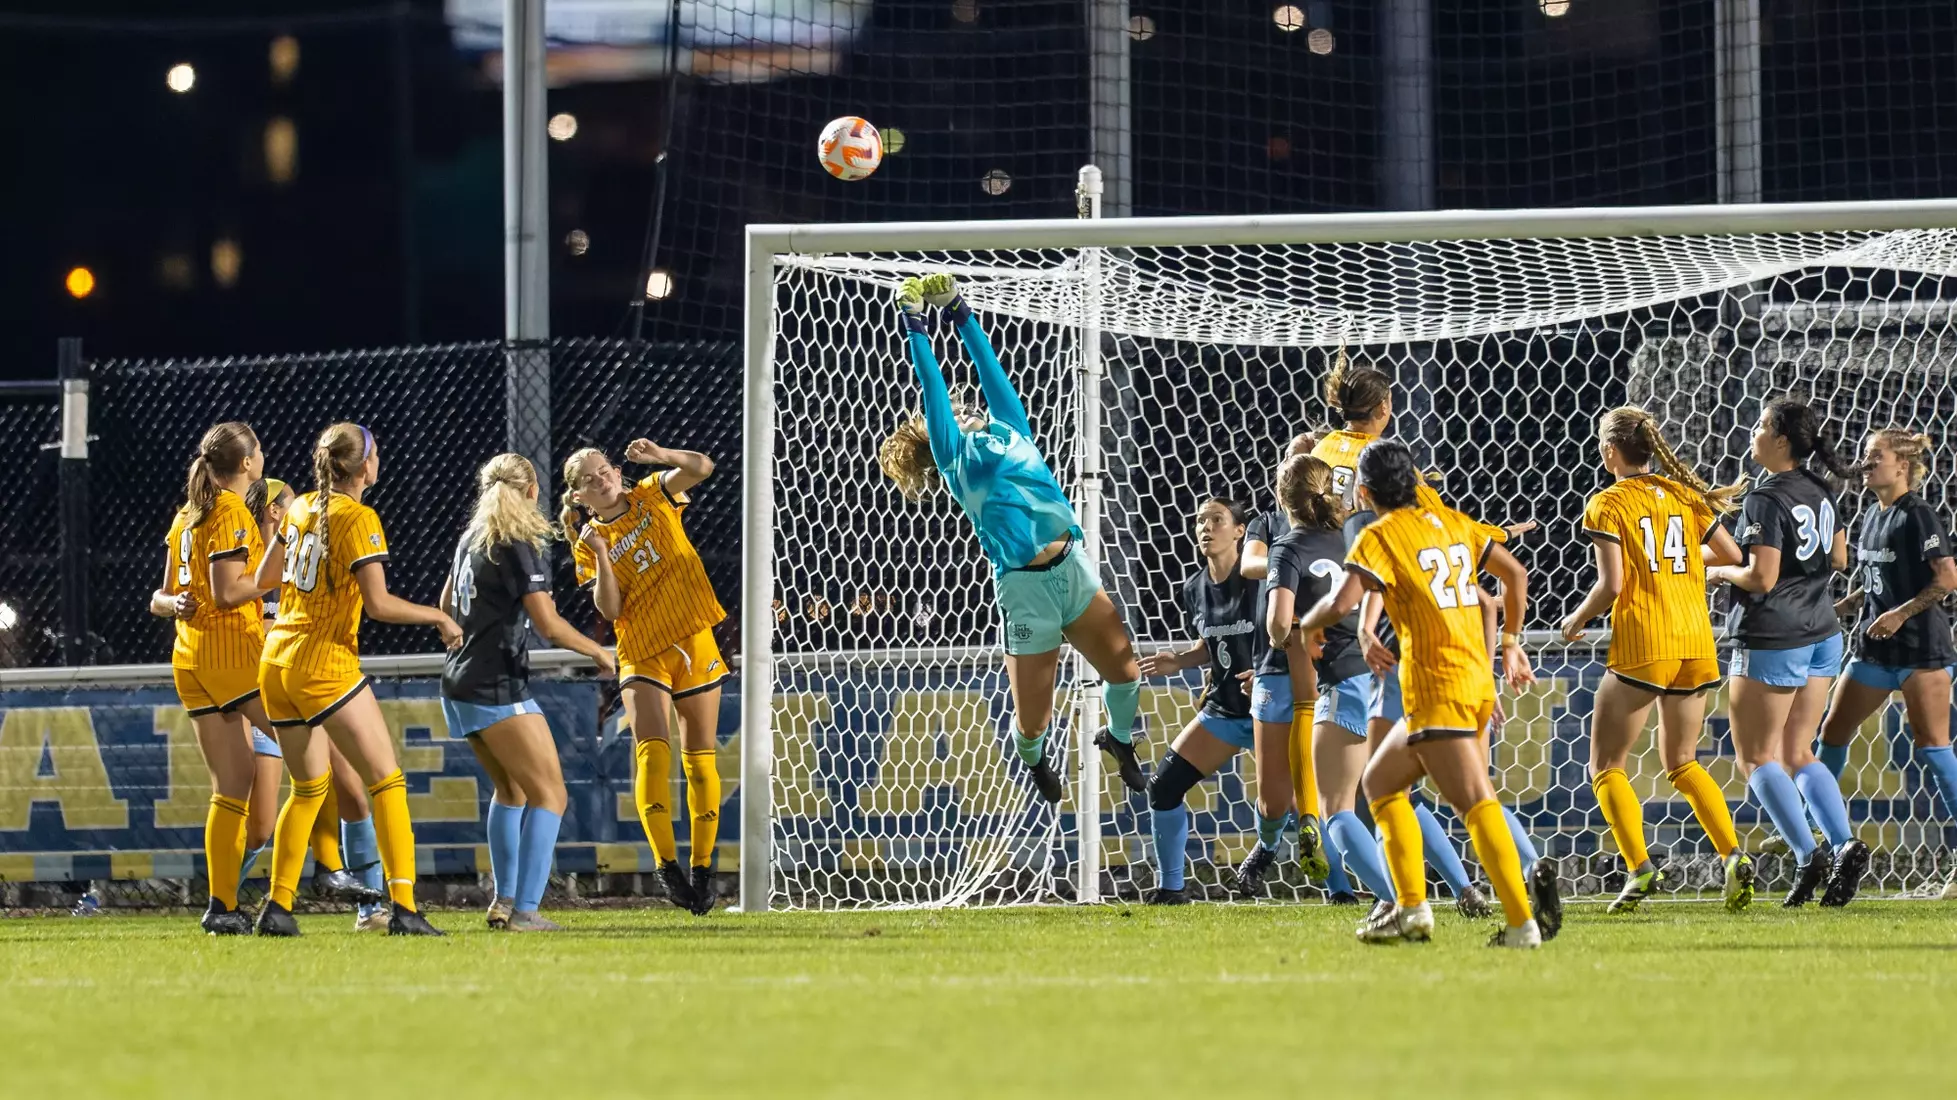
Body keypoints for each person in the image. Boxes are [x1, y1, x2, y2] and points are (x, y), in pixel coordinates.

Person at [877, 274, 1145, 803]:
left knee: (1127, 674)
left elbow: (989, 370)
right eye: (950, 412)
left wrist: (961, 312)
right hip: (1026, 593)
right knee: (1031, 724)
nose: (960, 404)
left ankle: (1118, 741)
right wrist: (916, 328)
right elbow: (933, 388)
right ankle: (1034, 758)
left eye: (960, 404)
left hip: (1073, 570)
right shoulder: (956, 461)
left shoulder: (1010, 429)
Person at [1298, 439, 1544, 948]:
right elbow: (1515, 574)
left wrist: (1307, 626)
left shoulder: (1380, 534)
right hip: (1474, 680)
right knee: (1383, 782)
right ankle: (1411, 909)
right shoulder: (1455, 522)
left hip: (1437, 684)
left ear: (1364, 491)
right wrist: (1512, 646)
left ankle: (1523, 922)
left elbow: (1342, 601)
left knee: (1475, 802)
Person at [151, 425, 378, 935]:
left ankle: (221, 907)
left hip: (189, 659)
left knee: (231, 787)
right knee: (316, 762)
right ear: (248, 463)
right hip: (233, 655)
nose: (263, 456)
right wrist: (290, 562)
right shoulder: (230, 511)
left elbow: (160, 597)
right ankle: (328, 870)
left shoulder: (188, 514)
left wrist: (177, 604)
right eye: (259, 451)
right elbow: (231, 593)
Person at [251, 422, 460, 936]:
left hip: (276, 661)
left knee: (307, 788)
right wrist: (438, 616)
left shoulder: (298, 508)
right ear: (363, 465)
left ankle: (277, 909)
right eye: (376, 452)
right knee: (387, 782)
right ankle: (405, 910)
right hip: (322, 660)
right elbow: (381, 604)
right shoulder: (358, 516)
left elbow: (261, 581)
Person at [1557, 407, 1756, 913]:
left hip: (1646, 642)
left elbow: (1612, 584)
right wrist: (1682, 562)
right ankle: (1734, 857)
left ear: (1609, 453)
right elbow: (1732, 555)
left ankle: (1640, 869)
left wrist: (1576, 620)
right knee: (1683, 762)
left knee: (1605, 765)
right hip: (1694, 640)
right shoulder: (1685, 495)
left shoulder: (1607, 502)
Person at [443, 454, 616, 932]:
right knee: (552, 795)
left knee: (512, 791)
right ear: (533, 491)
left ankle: (505, 902)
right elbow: (548, 625)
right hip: (495, 684)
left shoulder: (470, 538)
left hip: (458, 681)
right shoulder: (517, 540)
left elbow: (446, 607)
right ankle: (526, 911)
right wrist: (600, 653)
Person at [563, 436, 730, 915]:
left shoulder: (653, 493)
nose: (603, 478)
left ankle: (703, 867)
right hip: (641, 652)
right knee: (653, 755)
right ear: (580, 497)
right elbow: (610, 607)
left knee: (700, 760)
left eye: (606, 469)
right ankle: (666, 866)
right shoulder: (588, 542)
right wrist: (599, 553)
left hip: (693, 636)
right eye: (591, 479)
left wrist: (660, 456)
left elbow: (703, 465)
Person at [1707, 397, 1863, 907]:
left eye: (1759, 425)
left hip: (1775, 637)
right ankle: (1842, 846)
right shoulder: (1821, 488)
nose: (1751, 432)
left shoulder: (1764, 497)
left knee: (1756, 757)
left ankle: (1807, 853)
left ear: (1779, 440)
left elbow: (1761, 576)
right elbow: (1839, 558)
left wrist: (1717, 571)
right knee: (1798, 753)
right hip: (1822, 631)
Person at [1138, 496, 1303, 904]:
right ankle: (1172, 889)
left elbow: (1289, 629)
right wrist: (1181, 660)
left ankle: (1288, 862)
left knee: (1297, 806)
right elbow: (1212, 640)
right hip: (1226, 711)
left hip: (1273, 708)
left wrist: (1269, 670)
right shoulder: (1193, 588)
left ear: (1240, 531)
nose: (1206, 527)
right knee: (1163, 786)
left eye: (1217, 519)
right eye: (1200, 521)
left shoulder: (1264, 578)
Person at [1816, 428, 1957, 901]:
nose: (1864, 460)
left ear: (1903, 466)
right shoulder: (1872, 515)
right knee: (1831, 734)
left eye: (1875, 455)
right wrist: (1844, 605)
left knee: (1933, 747)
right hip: (1876, 649)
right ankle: (1817, 830)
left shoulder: (1918, 515)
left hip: (1922, 652)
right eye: (1863, 453)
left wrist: (1899, 614)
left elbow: (1947, 578)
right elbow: (1878, 582)